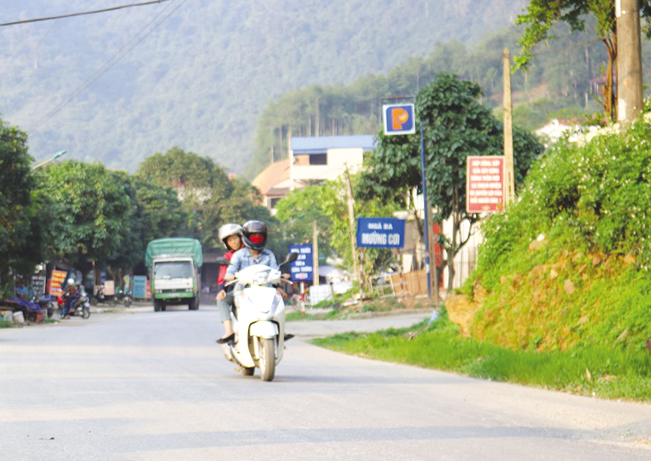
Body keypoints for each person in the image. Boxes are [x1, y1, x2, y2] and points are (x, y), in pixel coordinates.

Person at [217, 220, 289, 344]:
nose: (256, 239)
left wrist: (281, 278)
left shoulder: (269, 254)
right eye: (253, 236)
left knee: (280, 298)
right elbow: (228, 273)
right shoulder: (238, 256)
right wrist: (229, 278)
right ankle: (230, 331)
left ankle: (280, 330)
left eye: (259, 236)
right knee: (224, 300)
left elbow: (275, 271)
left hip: (266, 289)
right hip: (244, 291)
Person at [215, 223, 244, 343]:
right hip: (237, 290)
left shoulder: (250, 252)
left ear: (241, 237)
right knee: (221, 299)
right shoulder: (227, 257)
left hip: (255, 288)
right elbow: (223, 277)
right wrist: (221, 290)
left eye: (235, 238)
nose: (234, 242)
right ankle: (229, 331)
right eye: (230, 240)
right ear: (226, 243)